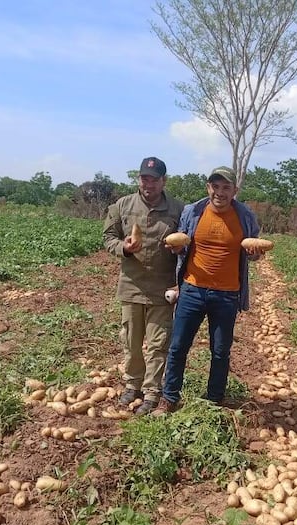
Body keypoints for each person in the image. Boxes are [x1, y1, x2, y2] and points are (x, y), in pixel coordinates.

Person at [152, 166, 266, 414]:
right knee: (178, 346)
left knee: (220, 351)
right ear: (208, 187)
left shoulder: (245, 216)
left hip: (227, 294)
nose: (220, 192)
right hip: (193, 289)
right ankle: (169, 397)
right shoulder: (193, 211)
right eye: (216, 186)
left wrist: (255, 255)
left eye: (226, 187)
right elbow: (183, 246)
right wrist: (177, 248)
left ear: (235, 190)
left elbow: (252, 253)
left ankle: (214, 400)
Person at [103, 157, 184, 416]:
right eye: (144, 178)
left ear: (164, 181)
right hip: (131, 285)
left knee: (159, 343)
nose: (148, 183)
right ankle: (132, 385)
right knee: (131, 341)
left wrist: (182, 249)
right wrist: (123, 249)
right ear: (139, 179)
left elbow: (187, 244)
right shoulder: (122, 205)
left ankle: (151, 391)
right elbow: (108, 237)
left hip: (163, 287)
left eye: (154, 179)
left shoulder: (178, 209)